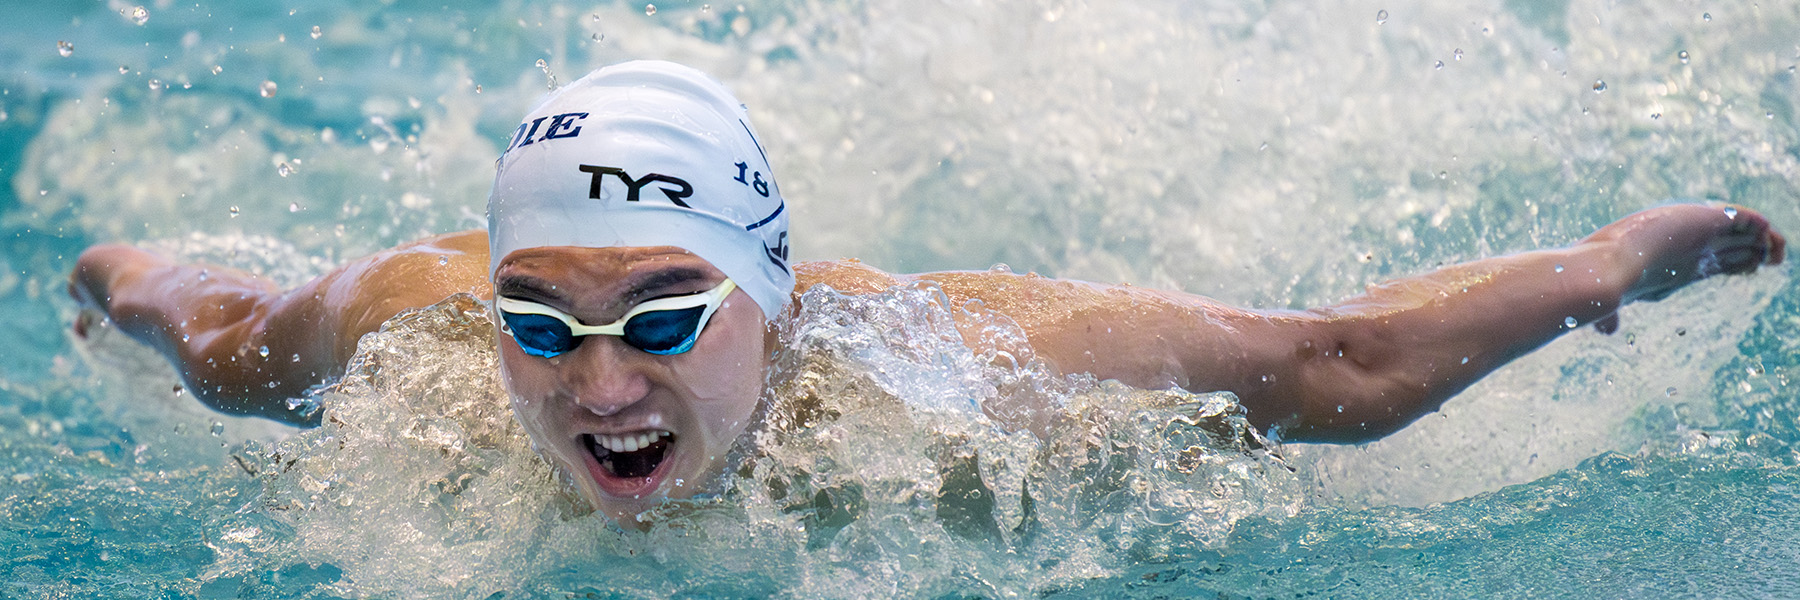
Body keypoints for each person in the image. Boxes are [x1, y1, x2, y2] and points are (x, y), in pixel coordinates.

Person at [68, 61, 1785, 524]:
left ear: (775, 295)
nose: (598, 387)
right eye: (548, 323)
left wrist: (1612, 265)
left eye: (669, 318)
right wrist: (116, 271)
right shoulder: (411, 330)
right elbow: (206, 313)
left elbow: (1332, 358)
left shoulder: (969, 381)